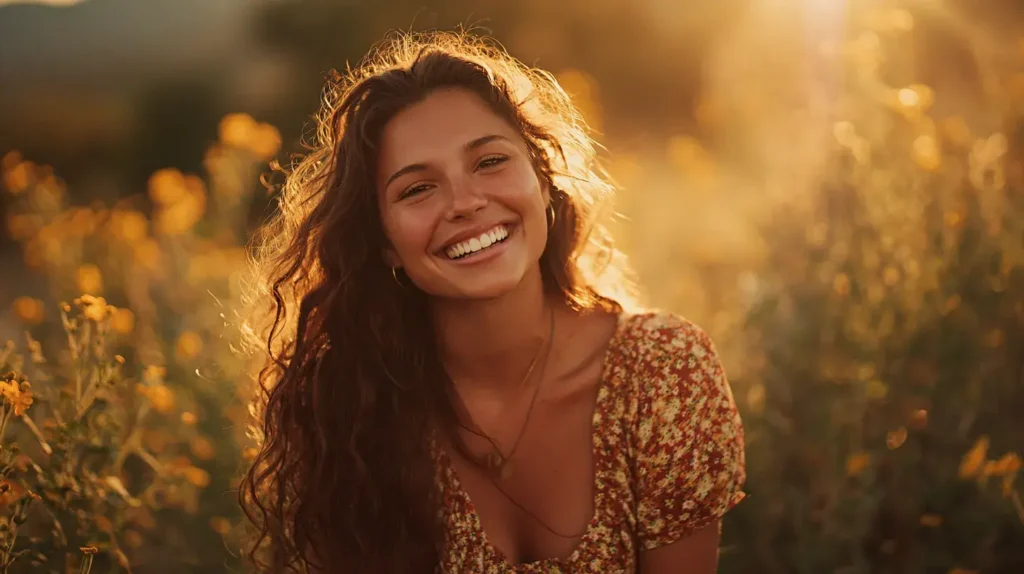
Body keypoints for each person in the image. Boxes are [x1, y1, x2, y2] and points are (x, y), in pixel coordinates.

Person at [239, 30, 746, 574]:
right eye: (417, 189)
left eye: (489, 162)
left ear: (542, 181)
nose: (466, 203)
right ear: (384, 242)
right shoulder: (353, 411)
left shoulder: (662, 371)